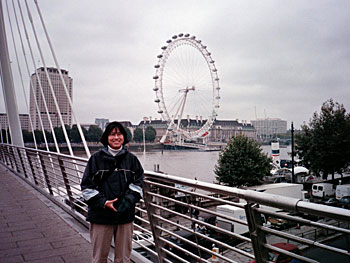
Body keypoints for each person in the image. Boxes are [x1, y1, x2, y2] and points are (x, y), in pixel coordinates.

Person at [81, 121, 144, 263]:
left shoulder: (132, 160)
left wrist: (127, 201)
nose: (116, 137)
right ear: (106, 138)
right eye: (112, 134)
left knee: (123, 259)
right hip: (100, 216)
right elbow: (87, 187)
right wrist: (104, 202)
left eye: (119, 134)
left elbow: (138, 184)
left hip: (125, 215)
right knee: (99, 258)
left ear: (124, 137)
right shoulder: (95, 159)